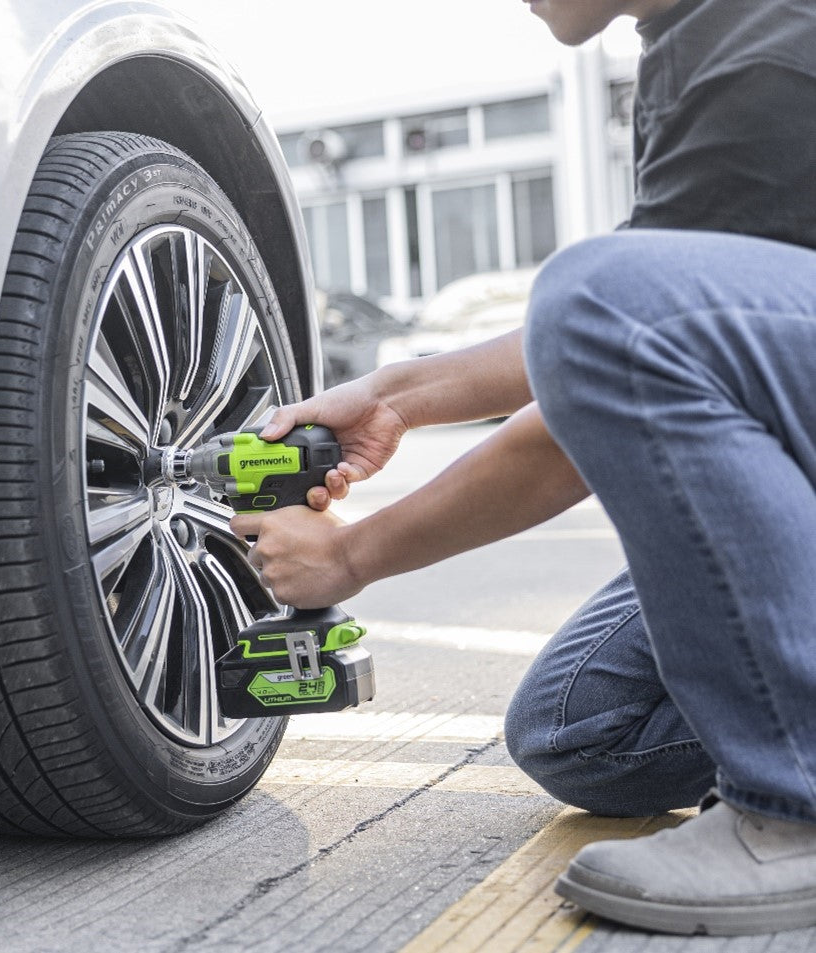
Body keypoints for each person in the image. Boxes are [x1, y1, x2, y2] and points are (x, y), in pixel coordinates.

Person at [232, 0, 816, 936]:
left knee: (596, 295)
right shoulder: (707, 37)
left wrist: (351, 558)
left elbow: (608, 350)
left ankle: (796, 815)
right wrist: (398, 395)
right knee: (584, 732)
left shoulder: (775, 47)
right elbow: (654, 340)